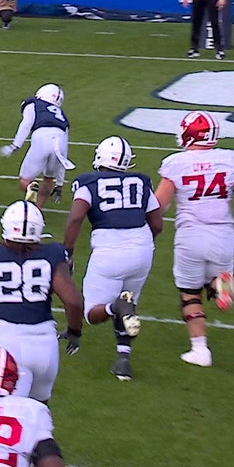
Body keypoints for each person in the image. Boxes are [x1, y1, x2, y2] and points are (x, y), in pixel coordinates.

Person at [153, 111, 234, 368]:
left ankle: (200, 350)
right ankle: (221, 286)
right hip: (223, 235)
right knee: (217, 274)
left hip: (190, 236)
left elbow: (158, 205)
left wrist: (150, 230)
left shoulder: (176, 163)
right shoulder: (229, 159)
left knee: (190, 294)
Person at [62, 137, 163, 381]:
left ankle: (113, 307)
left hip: (110, 250)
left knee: (93, 312)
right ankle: (123, 359)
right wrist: (142, 245)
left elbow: (76, 218)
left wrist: (69, 252)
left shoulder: (87, 183)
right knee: (129, 304)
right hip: (142, 247)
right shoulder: (141, 181)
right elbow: (157, 223)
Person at [0, 201, 86, 402]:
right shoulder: (53, 254)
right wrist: (74, 332)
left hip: (7, 343)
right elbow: (73, 302)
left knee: (5, 417)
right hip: (45, 346)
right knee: (38, 417)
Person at [0, 84, 73, 209]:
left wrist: (15, 146)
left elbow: (26, 124)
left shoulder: (34, 104)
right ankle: (37, 209)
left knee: (24, 180)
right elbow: (63, 154)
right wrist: (59, 184)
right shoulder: (62, 116)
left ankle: (30, 187)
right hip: (60, 142)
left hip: (42, 138)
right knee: (49, 178)